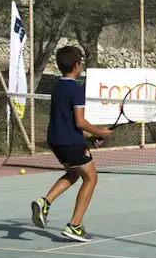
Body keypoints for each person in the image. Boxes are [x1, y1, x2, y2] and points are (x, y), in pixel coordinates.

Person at [30, 45, 113, 242]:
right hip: (70, 141)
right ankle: (74, 225)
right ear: (77, 65)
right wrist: (101, 132)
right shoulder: (76, 89)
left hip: (55, 140)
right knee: (91, 178)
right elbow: (79, 121)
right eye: (81, 62)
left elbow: (67, 121)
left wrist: (90, 137)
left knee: (74, 173)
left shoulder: (57, 87)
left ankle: (45, 202)